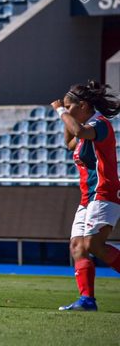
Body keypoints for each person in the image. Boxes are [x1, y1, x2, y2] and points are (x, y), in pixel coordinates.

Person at [51, 81, 120, 312]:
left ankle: (88, 300)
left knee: (93, 244)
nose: (66, 111)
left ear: (84, 105)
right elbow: (70, 142)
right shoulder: (85, 124)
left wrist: (62, 111)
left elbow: (79, 132)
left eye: (71, 107)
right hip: (87, 197)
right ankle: (87, 300)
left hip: (104, 191)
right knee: (77, 246)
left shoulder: (99, 124)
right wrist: (67, 116)